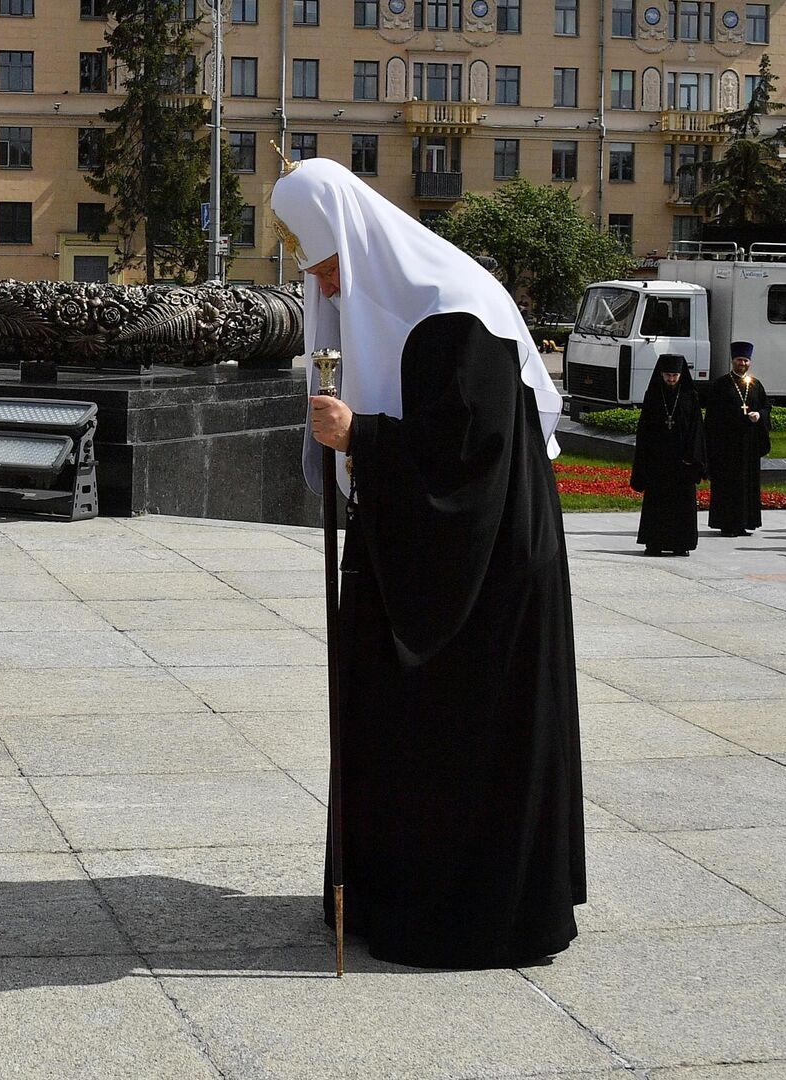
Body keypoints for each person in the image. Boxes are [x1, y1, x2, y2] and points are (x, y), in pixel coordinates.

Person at [271, 158, 584, 969]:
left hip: (486, 570)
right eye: (316, 275)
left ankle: (468, 909)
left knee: (459, 737)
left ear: (358, 241)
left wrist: (361, 439)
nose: (329, 288)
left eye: (331, 266)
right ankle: (382, 888)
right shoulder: (395, 301)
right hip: (421, 550)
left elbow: (468, 461)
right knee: (388, 713)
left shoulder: (452, 307)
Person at [630, 354, 705, 556]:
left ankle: (681, 544)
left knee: (682, 505)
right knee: (657, 504)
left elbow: (697, 428)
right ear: (661, 374)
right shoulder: (653, 395)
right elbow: (644, 429)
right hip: (658, 462)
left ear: (681, 375)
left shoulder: (690, 396)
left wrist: (692, 455)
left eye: (674, 375)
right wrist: (646, 457)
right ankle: (654, 543)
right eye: (667, 375)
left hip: (683, 462)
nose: (671, 379)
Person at [703, 340, 771, 537]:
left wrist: (759, 415)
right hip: (727, 446)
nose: (742, 364)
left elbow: (766, 407)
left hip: (749, 446)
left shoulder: (756, 385)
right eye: (739, 360)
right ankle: (727, 524)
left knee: (746, 484)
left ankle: (745, 523)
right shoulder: (721, 385)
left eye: (746, 361)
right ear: (733, 361)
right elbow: (713, 416)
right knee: (728, 485)